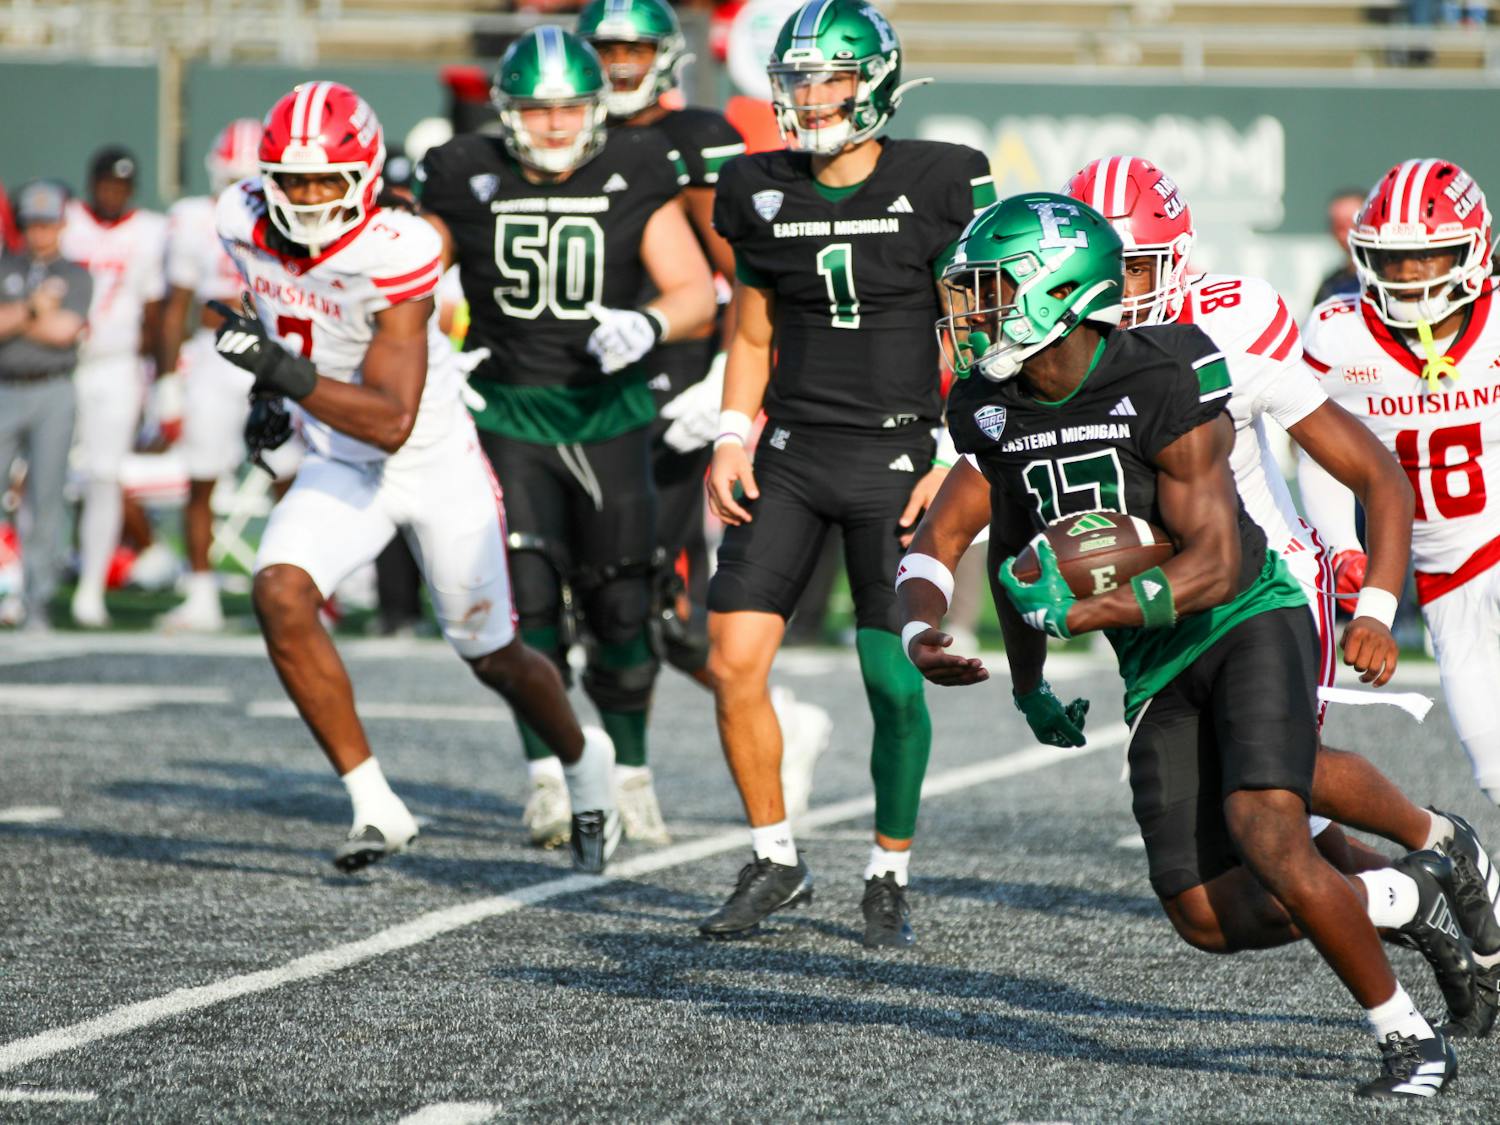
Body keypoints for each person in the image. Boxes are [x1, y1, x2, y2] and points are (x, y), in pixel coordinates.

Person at [903, 192, 1471, 1096]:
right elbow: (1014, 550)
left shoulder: (1167, 371)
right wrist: (1026, 679)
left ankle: (1409, 1039)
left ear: (1055, 293)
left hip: (1245, 610)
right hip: (1155, 653)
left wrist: (1097, 610)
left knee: (1270, 829)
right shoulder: (988, 404)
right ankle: (1410, 893)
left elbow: (1210, 561)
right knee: (1206, 915)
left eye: (989, 290)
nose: (970, 311)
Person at [214, 80, 620, 874]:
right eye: (291, 179)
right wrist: (267, 378)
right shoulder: (239, 216)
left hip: (428, 461)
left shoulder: (397, 247)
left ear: (363, 174)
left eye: (326, 178)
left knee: (493, 654)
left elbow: (390, 416)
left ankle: (582, 758)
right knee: (279, 590)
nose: (306, 196)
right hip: (340, 459)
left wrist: (275, 369)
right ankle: (375, 802)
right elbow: (241, 309)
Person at [699, 0, 996, 948]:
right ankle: (775, 856)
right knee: (730, 660)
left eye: (827, 78)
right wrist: (728, 434)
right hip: (791, 453)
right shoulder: (755, 185)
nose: (809, 99)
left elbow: (979, 331)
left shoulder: (943, 178)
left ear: (873, 81)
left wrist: (955, 455)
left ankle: (888, 867)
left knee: (895, 680)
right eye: (797, 81)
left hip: (902, 456)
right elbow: (751, 330)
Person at [417, 27, 717, 849]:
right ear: (508, 111)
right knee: (525, 598)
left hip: (609, 412)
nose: (554, 126)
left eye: (571, 108)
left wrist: (647, 321)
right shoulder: (463, 171)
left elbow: (695, 289)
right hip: (508, 410)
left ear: (596, 108)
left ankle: (632, 773)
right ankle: (550, 777)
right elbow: (406, 278)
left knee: (625, 600)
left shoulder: (635, 167)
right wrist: (426, 343)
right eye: (538, 109)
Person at [578, 0, 833, 825]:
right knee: (598, 587)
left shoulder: (694, 136)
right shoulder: (564, 131)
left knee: (648, 587)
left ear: (666, 53)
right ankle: (625, 765)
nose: (617, 64)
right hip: (585, 382)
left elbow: (744, 275)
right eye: (606, 47)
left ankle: (647, 765)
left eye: (633, 48)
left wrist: (724, 378)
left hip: (674, 380)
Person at [1299, 156, 1500, 1002]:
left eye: (1430, 258)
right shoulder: (1337, 331)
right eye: (1397, 260)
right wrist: (1343, 554)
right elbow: (1306, 440)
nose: (1413, 277)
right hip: (1410, 557)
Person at [157, 118, 304, 633]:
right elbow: (178, 306)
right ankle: (201, 594)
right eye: (229, 179)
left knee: (288, 474)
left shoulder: (289, 215)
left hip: (271, 355)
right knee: (201, 477)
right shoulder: (193, 219)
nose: (238, 190)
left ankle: (300, 591)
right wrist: (168, 385)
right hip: (213, 359)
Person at [60, 146, 169, 627]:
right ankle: (30, 574)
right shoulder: (65, 221)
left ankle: (91, 586)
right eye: (107, 183)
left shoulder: (148, 231)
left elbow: (154, 312)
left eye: (121, 186)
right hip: (60, 361)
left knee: (105, 475)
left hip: (115, 363)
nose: (112, 193)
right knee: (35, 474)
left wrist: (158, 380)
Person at [0, 182, 92, 631]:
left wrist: (17, 318)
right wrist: (35, 310)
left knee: (46, 496)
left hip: (53, 386)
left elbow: (65, 331)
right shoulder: (6, 265)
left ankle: (38, 598)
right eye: (33, 224)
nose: (40, 232)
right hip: (5, 384)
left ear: (61, 223)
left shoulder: (75, 273)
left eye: (48, 223)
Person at [1312, 189, 1367, 310]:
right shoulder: (1331, 287)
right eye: (1339, 225)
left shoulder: (1394, 277)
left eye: (1352, 223)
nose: (1345, 233)